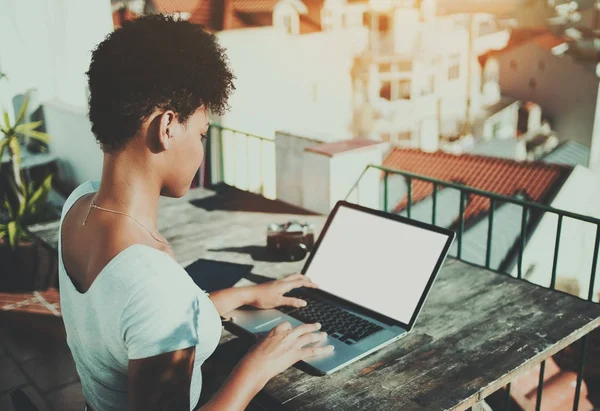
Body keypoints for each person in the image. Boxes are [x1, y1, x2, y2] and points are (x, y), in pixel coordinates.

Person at [59, 14, 334, 411]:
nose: (202, 149)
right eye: (202, 134)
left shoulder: (78, 207)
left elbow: (133, 320)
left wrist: (246, 295)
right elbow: (152, 305)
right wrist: (257, 367)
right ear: (167, 127)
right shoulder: (154, 286)